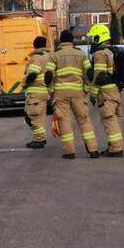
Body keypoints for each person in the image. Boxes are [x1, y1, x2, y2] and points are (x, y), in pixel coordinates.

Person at [50, 29, 100, 159]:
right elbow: (89, 73)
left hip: (61, 94)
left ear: (61, 40)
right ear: (72, 40)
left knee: (64, 122)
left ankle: (69, 152)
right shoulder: (81, 54)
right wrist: (86, 89)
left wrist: (51, 92)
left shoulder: (54, 55)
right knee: (84, 121)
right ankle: (93, 149)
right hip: (78, 93)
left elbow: (48, 76)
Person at [87, 24, 124, 157]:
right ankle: (115, 145)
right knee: (116, 120)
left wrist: (93, 93)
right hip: (116, 90)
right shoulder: (112, 51)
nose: (92, 41)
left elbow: (99, 76)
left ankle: (115, 148)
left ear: (98, 37)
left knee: (108, 119)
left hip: (106, 92)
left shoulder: (99, 54)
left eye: (93, 38)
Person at [23, 36, 54, 149]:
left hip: (35, 92)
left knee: (32, 117)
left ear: (34, 45)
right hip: (44, 92)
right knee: (39, 117)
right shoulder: (48, 56)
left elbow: (32, 74)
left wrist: (24, 83)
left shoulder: (36, 58)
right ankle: (39, 138)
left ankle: (39, 139)